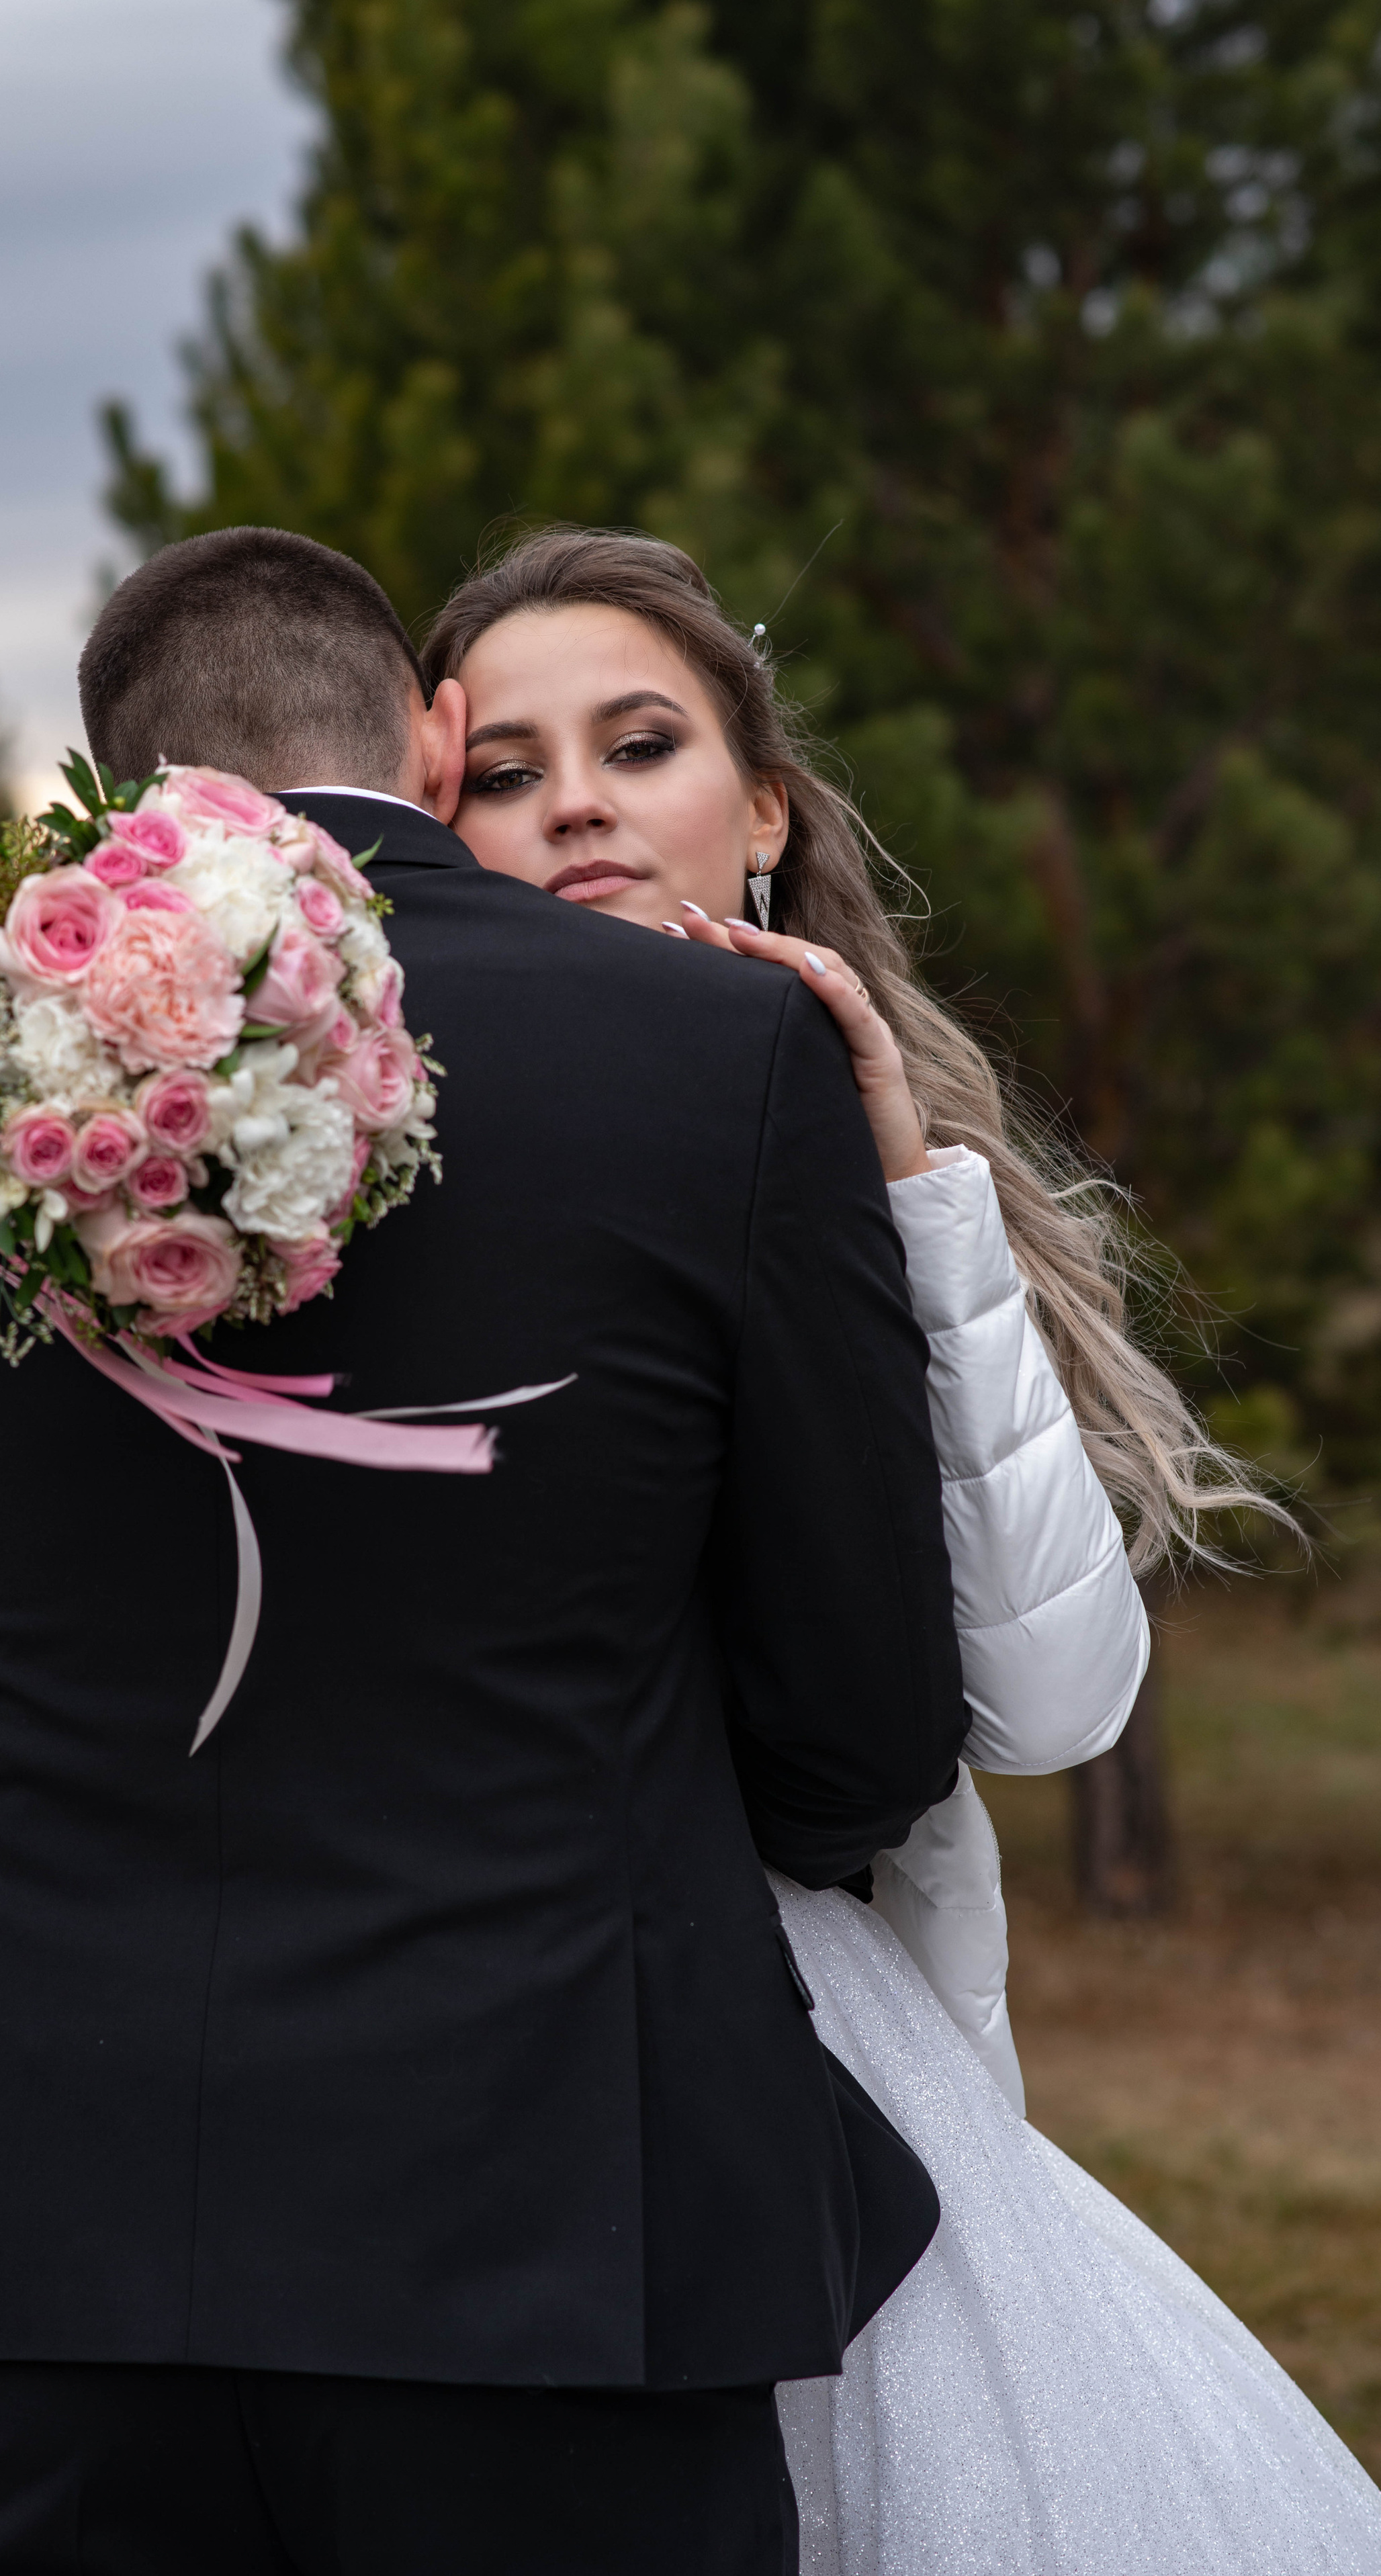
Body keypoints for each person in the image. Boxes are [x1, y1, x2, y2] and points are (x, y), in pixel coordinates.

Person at [0, 527, 971, 2576]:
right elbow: (861, 1722)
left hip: (35, 2230)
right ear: (438, 737)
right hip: (551, 2228)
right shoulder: (725, 1057)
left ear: (116, 783)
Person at [417, 525, 1381, 2571]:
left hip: (820, 2065)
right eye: (504, 770)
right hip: (466, 2058)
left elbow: (1050, 1700)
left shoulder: (900, 1160)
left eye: (640, 744)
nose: (575, 802)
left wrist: (916, 1197)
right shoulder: (368, 1142)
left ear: (764, 809)